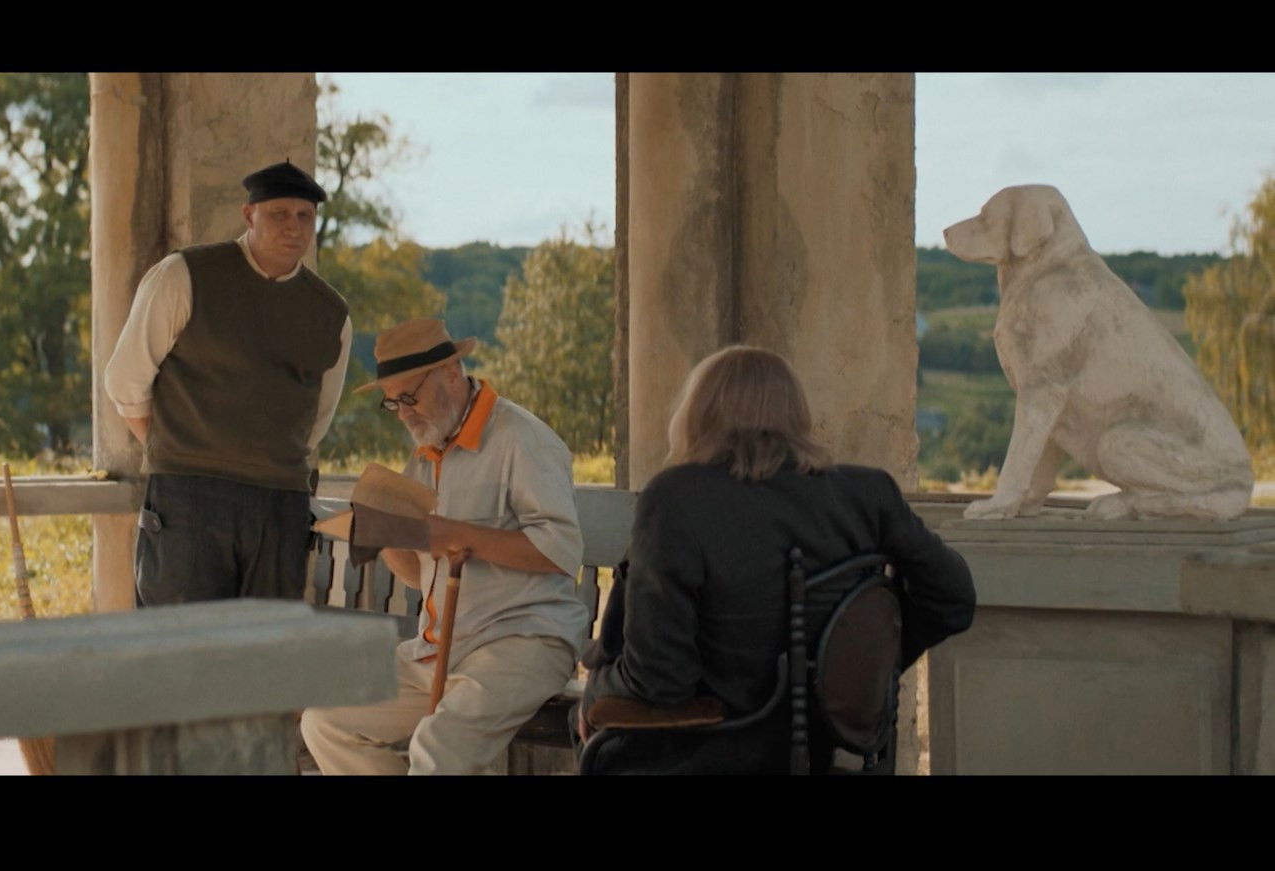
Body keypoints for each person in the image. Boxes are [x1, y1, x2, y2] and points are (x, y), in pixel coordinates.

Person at [579, 344, 975, 773]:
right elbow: (953, 597)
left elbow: (660, 679)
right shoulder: (866, 494)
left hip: (697, 753)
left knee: (594, 733)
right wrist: (858, 674)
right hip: (814, 753)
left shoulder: (676, 498)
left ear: (697, 414)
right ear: (795, 416)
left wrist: (596, 691)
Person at [300, 318, 589, 775]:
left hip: (522, 639)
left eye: (409, 397)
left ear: (452, 373)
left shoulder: (522, 438)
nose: (403, 414)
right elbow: (420, 577)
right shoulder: (427, 451)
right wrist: (384, 534)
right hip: (440, 648)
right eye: (392, 402)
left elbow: (560, 552)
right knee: (326, 720)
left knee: (439, 749)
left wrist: (454, 535)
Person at [104, 160, 351, 607]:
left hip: (279, 505)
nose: (293, 227)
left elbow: (318, 416)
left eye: (305, 216)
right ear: (249, 215)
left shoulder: (330, 313)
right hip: (187, 497)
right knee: (182, 638)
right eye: (279, 214)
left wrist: (268, 461)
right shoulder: (184, 275)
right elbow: (126, 379)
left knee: (265, 643)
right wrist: (176, 450)